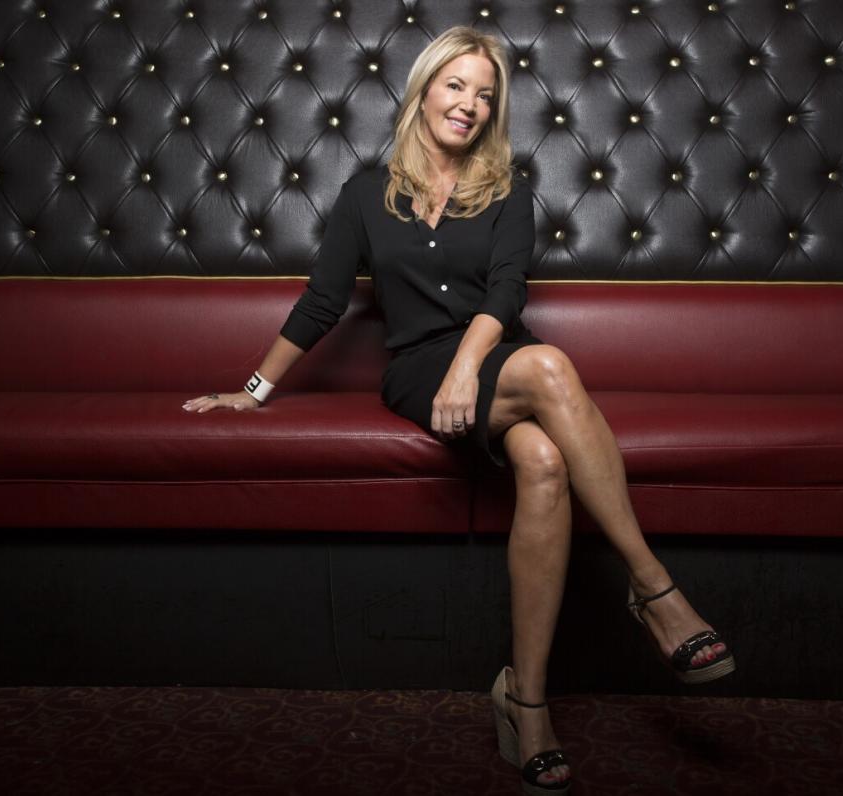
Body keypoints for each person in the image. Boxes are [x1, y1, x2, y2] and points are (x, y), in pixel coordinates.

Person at [182, 25, 734, 795]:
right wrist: (250, 392)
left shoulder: (510, 190)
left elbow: (508, 293)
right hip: (418, 372)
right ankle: (653, 588)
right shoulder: (366, 194)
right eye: (456, 86)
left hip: (500, 363)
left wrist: (471, 369)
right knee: (550, 365)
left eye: (485, 94)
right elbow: (322, 302)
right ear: (424, 89)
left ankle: (527, 704)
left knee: (543, 458)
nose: (469, 104)